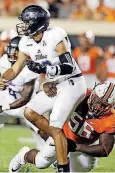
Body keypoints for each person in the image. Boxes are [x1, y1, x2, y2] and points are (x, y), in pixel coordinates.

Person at [0, 5, 87, 172]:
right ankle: (61, 141)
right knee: (30, 112)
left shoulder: (55, 35)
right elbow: (15, 69)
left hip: (72, 83)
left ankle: (63, 168)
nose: (23, 25)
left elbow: (68, 66)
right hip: (54, 85)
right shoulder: (26, 42)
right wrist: (3, 78)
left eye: (26, 22)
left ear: (35, 23)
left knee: (55, 126)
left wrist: (45, 70)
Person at [9, 81, 115, 172]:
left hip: (86, 146)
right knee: (41, 162)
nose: (98, 107)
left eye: (104, 106)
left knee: (77, 170)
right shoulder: (80, 94)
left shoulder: (111, 117)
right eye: (97, 101)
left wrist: (75, 147)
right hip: (61, 135)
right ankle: (22, 156)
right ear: (93, 94)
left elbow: (104, 149)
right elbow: (53, 93)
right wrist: (46, 86)